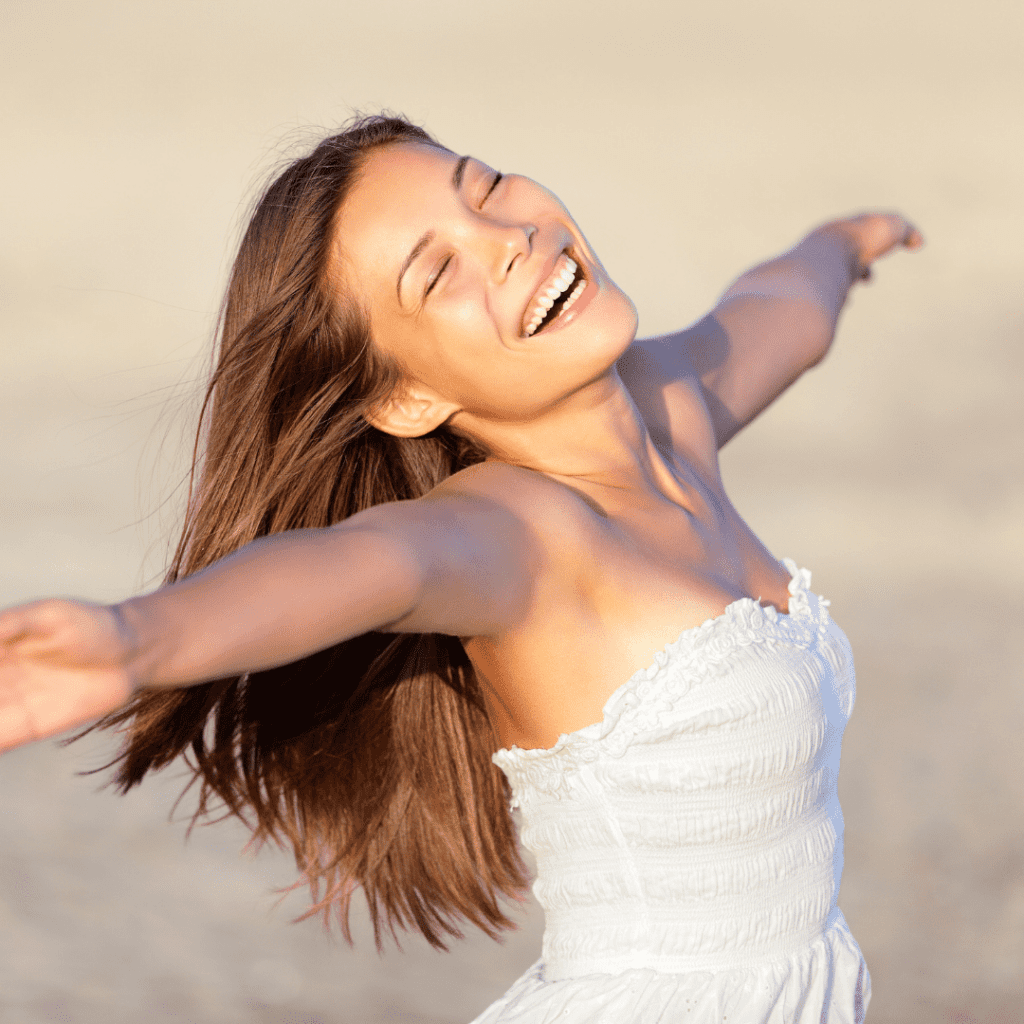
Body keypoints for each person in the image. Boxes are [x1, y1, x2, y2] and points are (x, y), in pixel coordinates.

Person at [0, 113, 922, 1022]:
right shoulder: (515, 535)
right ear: (407, 397)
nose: (508, 237)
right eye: (437, 270)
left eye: (483, 187)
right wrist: (135, 641)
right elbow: (355, 564)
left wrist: (843, 242)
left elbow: (781, 313)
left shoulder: (672, 410)